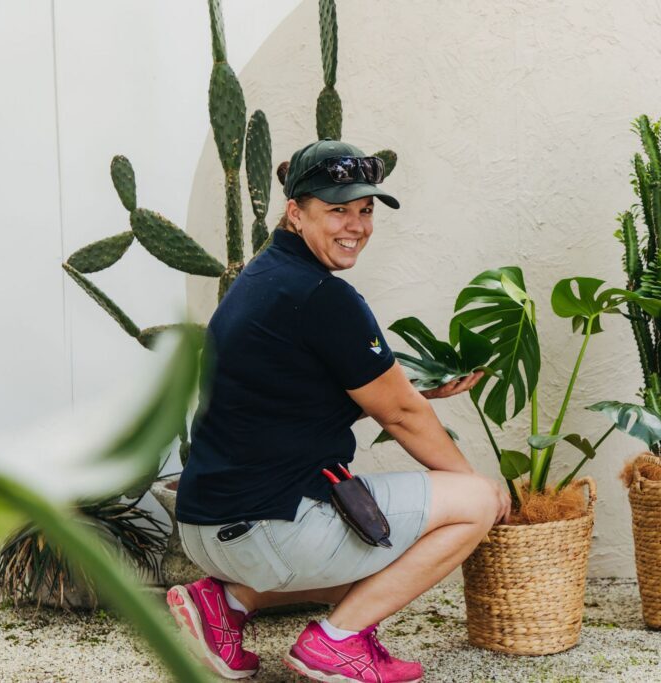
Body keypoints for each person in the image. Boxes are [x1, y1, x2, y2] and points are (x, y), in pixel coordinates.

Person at [166, 139, 511, 683]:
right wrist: (475, 499)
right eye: (337, 209)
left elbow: (291, 396)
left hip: (209, 526)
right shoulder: (323, 296)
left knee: (385, 548)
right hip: (268, 529)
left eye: (365, 209)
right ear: (295, 212)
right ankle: (337, 642)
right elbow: (400, 414)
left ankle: (225, 605)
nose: (356, 225)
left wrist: (415, 395)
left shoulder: (263, 278)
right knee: (474, 501)